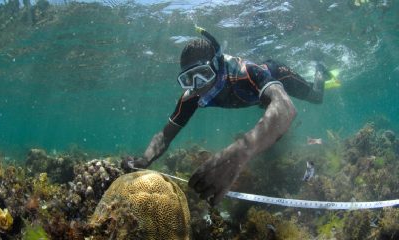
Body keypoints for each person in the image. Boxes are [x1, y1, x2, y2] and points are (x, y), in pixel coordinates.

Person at [127, 26, 335, 206]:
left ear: (217, 65)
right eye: (188, 79)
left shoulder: (245, 73)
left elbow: (286, 108)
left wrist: (239, 153)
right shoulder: (192, 94)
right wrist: (144, 160)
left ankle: (319, 69)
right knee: (268, 112)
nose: (198, 86)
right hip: (260, 98)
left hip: (277, 74)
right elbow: (165, 135)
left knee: (316, 97)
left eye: (203, 74)